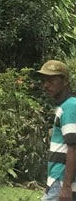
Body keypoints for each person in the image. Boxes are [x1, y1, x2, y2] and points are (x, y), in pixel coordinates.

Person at [39, 60, 76, 201]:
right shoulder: (65, 106)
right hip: (56, 182)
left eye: (51, 80)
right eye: (44, 81)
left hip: (61, 183)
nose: (46, 85)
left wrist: (66, 186)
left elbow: (73, 147)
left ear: (65, 81)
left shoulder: (70, 106)